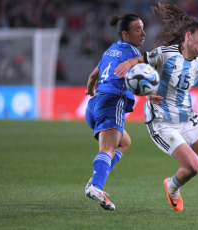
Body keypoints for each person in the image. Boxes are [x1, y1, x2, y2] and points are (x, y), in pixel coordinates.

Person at [115, 3, 198, 213]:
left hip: (187, 118)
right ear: (188, 36)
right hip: (161, 122)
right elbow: (139, 66)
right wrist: (144, 87)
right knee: (193, 166)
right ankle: (172, 185)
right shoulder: (165, 54)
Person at [84, 13, 145, 211]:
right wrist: (151, 93)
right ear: (126, 34)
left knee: (124, 142)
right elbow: (145, 71)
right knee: (108, 149)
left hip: (94, 105)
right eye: (138, 29)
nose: (143, 33)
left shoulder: (110, 50)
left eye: (143, 28)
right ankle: (96, 187)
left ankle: (96, 178)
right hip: (112, 103)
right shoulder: (133, 54)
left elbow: (93, 75)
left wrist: (90, 89)